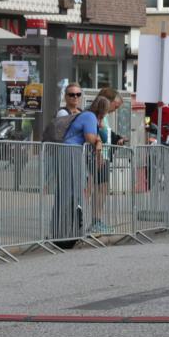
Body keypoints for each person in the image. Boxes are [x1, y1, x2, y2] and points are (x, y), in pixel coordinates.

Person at [64, 96, 111, 234]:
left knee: (75, 191)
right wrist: (98, 140)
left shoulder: (88, 115)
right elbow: (90, 138)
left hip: (73, 154)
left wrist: (98, 140)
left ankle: (71, 228)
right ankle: (70, 229)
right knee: (73, 192)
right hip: (71, 154)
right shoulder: (90, 116)